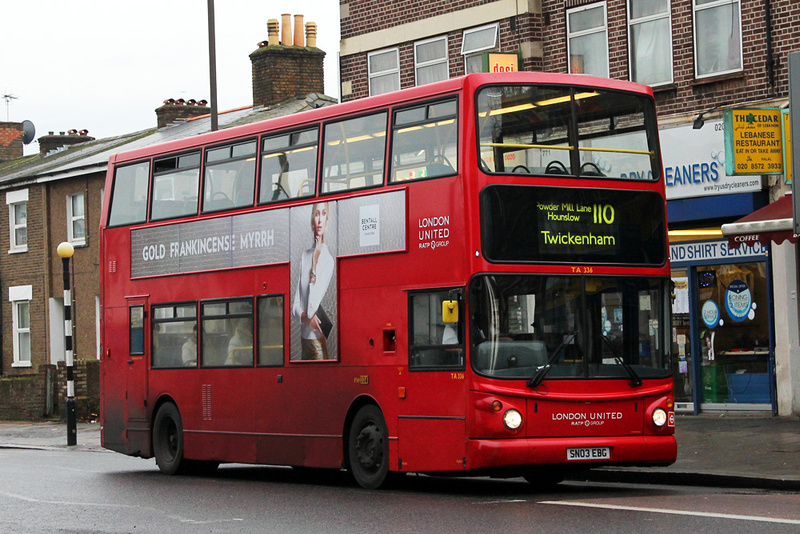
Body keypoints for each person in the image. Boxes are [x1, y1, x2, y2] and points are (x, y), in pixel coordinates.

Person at [292, 202, 334, 360]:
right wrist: (306, 319)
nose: (320, 220)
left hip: (317, 345)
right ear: (312, 219)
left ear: (327, 219)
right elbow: (295, 306)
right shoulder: (304, 255)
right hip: (304, 343)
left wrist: (315, 263)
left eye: (324, 214)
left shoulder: (327, 260)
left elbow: (310, 309)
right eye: (317, 214)